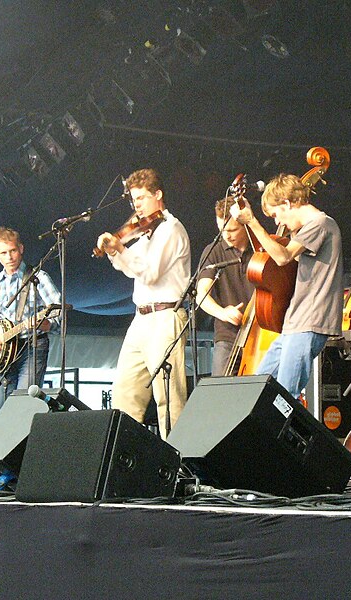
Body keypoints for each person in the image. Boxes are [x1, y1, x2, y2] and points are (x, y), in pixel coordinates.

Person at [230, 173, 343, 399]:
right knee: (259, 388)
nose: (278, 222)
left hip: (309, 322)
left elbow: (283, 258)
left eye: (275, 214)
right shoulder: (304, 231)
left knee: (283, 396)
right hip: (295, 323)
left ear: (288, 203)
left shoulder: (320, 224)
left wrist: (252, 222)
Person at [96, 168, 190, 438]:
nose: (137, 205)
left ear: (158, 195)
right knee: (125, 392)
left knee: (168, 397)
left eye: (141, 198)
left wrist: (120, 248)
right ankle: (125, 453)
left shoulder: (171, 229)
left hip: (165, 316)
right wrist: (115, 250)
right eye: (134, 200)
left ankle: (178, 461)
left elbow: (149, 273)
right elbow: (129, 267)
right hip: (141, 319)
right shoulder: (147, 232)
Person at [0, 227, 61, 415]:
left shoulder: (39, 278)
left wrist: (48, 324)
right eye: (3, 253)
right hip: (3, 355)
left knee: (24, 406)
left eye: (12, 250)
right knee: (0, 411)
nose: (9, 256)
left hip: (32, 346)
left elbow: (59, 311)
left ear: (21, 248)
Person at [196, 196, 254, 376]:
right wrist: (223, 312)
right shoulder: (213, 251)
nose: (226, 236)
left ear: (245, 224)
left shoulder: (261, 247)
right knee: (221, 391)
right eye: (221, 229)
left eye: (232, 230)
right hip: (227, 336)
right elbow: (202, 294)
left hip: (263, 332)